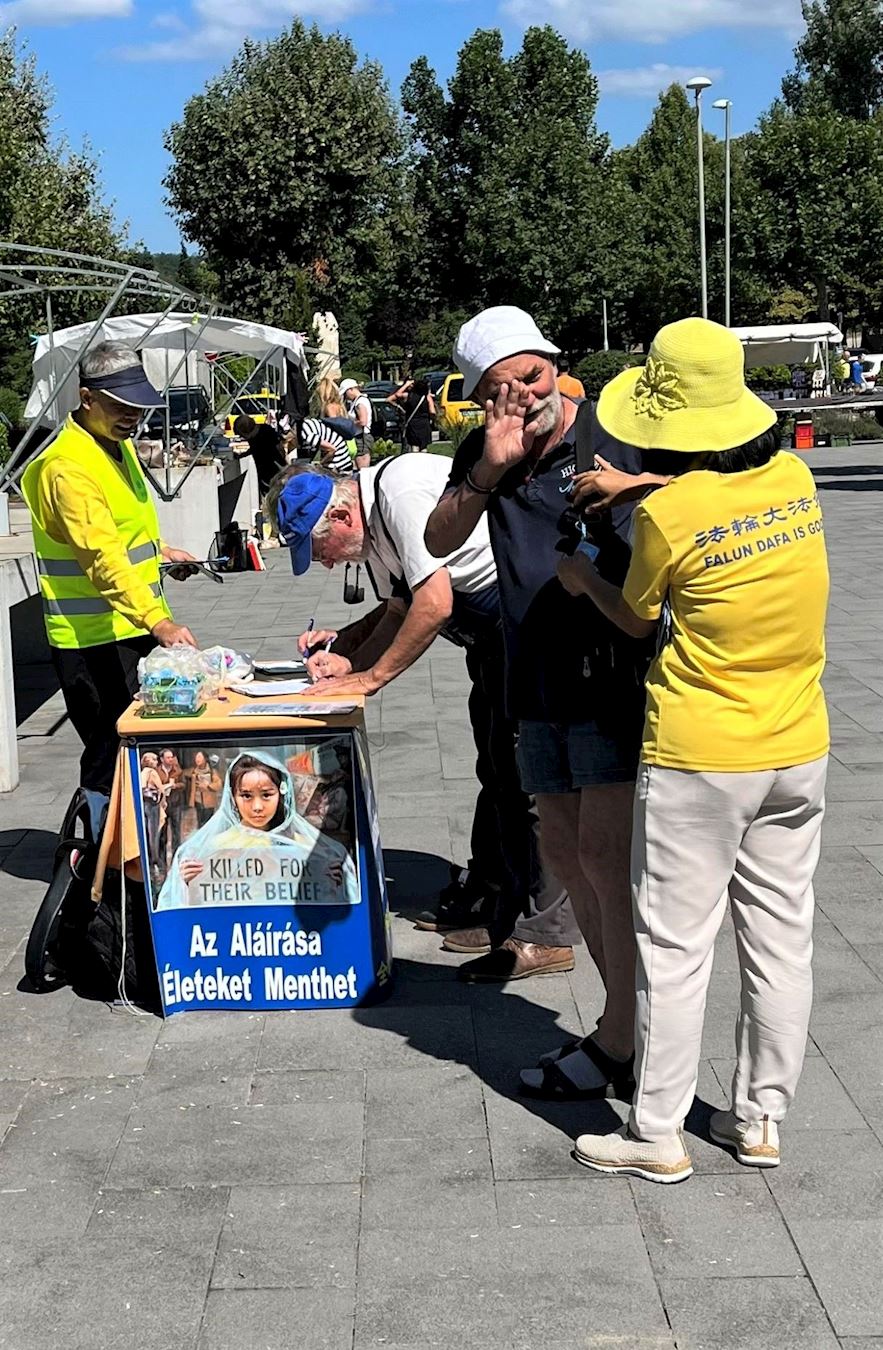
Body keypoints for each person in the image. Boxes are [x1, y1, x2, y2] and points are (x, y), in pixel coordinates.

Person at [560, 317, 829, 1183]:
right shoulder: (794, 480)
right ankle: (759, 1119)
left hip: (700, 751)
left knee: (675, 948)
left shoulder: (667, 516)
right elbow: (722, 490)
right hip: (797, 742)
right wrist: (639, 484)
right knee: (779, 939)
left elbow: (636, 617)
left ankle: (655, 1133)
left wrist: (582, 577)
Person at [425, 305, 655, 1093]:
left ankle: (628, 1036)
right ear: (479, 398)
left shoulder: (610, 433)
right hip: (531, 675)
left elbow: (691, 500)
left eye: (531, 375)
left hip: (608, 670)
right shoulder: (488, 450)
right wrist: (488, 468)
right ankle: (622, 1024)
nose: (523, 395)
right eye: (500, 388)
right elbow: (437, 538)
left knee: (604, 857)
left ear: (554, 365)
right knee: (561, 852)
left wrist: (631, 489)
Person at [266, 457, 579, 977]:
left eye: (320, 550)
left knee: (528, 781)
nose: (326, 565)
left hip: (526, 622)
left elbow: (431, 606)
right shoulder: (371, 522)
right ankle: (498, 901)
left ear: (342, 517)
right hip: (494, 632)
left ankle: (544, 934)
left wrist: (369, 679)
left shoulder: (400, 495)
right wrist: (347, 657)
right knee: (497, 771)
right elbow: (397, 609)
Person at [20, 341, 198, 795]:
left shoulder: (115, 446)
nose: (133, 416)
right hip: (93, 641)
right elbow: (101, 558)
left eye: (139, 406)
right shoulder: (67, 468)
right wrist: (158, 621)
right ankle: (97, 833)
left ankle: (130, 834)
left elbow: (122, 532)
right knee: (111, 756)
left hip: (129, 628)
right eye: (121, 406)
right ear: (86, 398)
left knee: (142, 753)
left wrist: (162, 553)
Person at [156, 750, 358, 910]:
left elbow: (332, 914)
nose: (257, 806)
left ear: (281, 794)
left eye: (266, 795)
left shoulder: (304, 847)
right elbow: (189, 913)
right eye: (246, 796)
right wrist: (185, 883)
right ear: (233, 797)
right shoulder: (213, 849)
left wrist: (333, 882)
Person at [232, 414, 284, 496]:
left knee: (275, 490)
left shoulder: (265, 432)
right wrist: (242, 455)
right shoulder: (259, 433)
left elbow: (279, 447)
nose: (243, 438)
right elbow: (254, 450)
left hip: (274, 466)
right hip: (264, 470)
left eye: (242, 435)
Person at [389, 378, 436, 452]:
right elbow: (433, 412)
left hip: (412, 423)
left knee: (414, 446)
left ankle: (414, 456)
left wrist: (406, 384)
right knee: (424, 447)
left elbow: (397, 394)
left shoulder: (409, 396)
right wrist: (431, 420)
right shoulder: (427, 397)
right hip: (424, 424)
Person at [157, 747, 186, 863]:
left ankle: (176, 857)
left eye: (171, 757)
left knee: (176, 832)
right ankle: (161, 860)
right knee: (162, 834)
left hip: (175, 804)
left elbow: (183, 784)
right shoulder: (157, 771)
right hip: (162, 805)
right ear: (162, 759)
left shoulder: (177, 770)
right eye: (168, 757)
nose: (170, 759)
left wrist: (175, 786)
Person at [338, 379, 374, 466]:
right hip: (358, 436)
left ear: (351, 389)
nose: (346, 397)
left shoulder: (360, 402)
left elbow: (363, 421)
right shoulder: (356, 401)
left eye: (345, 393)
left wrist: (349, 423)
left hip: (362, 437)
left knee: (362, 466)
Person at [140, 751, 166, 871]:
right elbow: (160, 789)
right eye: (154, 760)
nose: (156, 762)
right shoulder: (151, 772)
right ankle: (154, 859)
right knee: (154, 833)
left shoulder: (144, 772)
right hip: (153, 805)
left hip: (147, 804)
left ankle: (151, 858)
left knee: (150, 831)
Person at [185, 750, 223, 827]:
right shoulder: (194, 771)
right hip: (198, 801)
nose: (197, 759)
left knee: (209, 824)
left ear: (205, 759)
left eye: (199, 757)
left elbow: (219, 785)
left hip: (209, 802)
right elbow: (182, 773)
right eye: (196, 757)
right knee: (200, 823)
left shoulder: (212, 772)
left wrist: (208, 785)